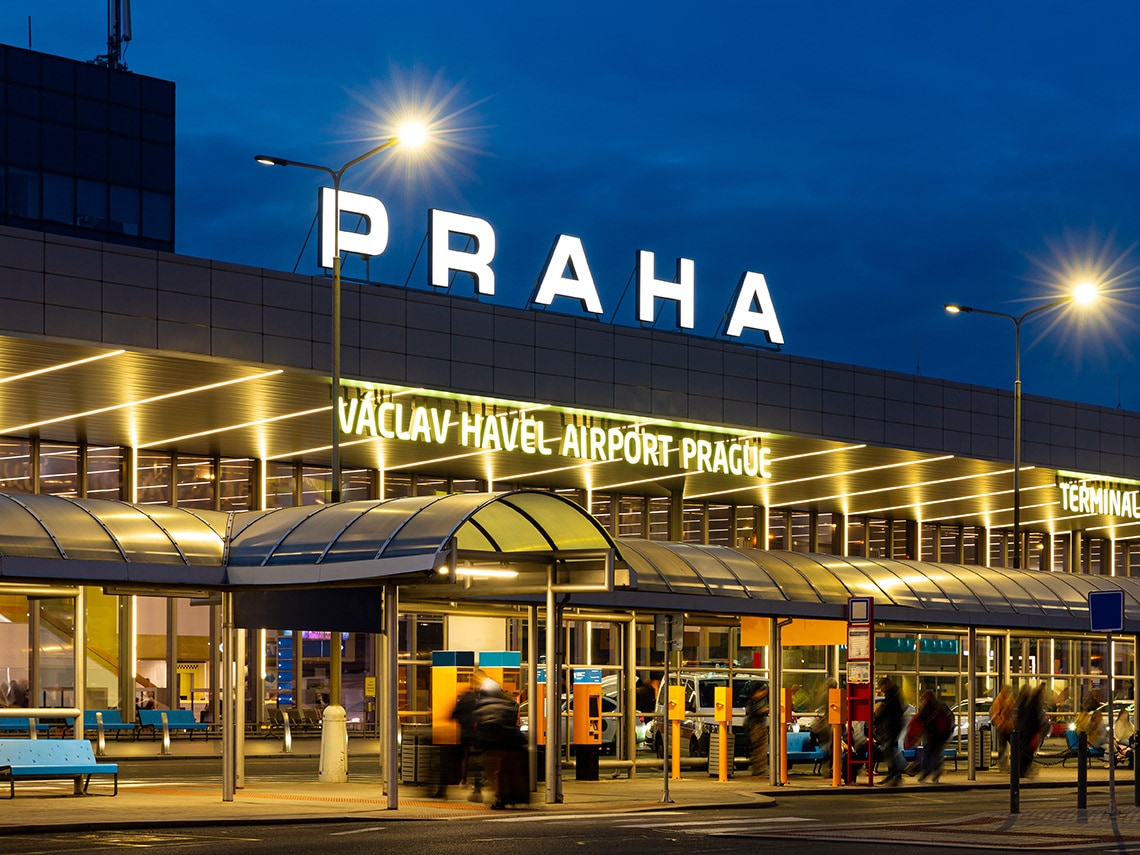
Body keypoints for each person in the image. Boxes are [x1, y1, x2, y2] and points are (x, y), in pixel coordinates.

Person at [474, 677, 526, 809]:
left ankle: (499, 799)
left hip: (491, 745)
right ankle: (510, 796)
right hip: (509, 743)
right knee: (505, 772)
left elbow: (479, 725)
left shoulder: (482, 706)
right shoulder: (507, 704)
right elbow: (512, 720)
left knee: (493, 774)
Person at [915, 689, 952, 783]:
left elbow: (920, 721)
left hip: (931, 734)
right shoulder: (942, 706)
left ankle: (925, 773)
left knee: (927, 754)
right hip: (942, 735)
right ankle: (936, 772)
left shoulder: (927, 708)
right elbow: (951, 718)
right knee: (936, 754)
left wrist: (918, 736)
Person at [874, 677, 905, 786]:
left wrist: (880, 710)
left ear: (886, 684)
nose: (881, 689)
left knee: (889, 749)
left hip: (892, 726)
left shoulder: (893, 695)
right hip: (893, 726)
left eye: (881, 686)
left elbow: (891, 710)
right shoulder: (893, 694)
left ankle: (894, 772)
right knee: (890, 749)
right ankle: (895, 773)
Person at [744, 683, 770, 777]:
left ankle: (759, 769)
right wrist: (765, 710)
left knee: (761, 749)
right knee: (759, 749)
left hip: (759, 725)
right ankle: (759, 770)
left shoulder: (759, 700)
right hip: (756, 726)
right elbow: (753, 711)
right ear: (758, 691)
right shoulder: (754, 701)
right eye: (763, 691)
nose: (764, 693)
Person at [989, 685, 1014, 771]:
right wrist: (1001, 723)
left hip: (1007, 726)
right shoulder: (998, 701)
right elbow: (997, 714)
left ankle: (1006, 765)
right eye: (1008, 692)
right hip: (1003, 727)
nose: (1009, 694)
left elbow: (1012, 709)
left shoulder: (1008, 700)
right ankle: (1003, 766)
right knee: (1003, 746)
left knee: (1007, 745)